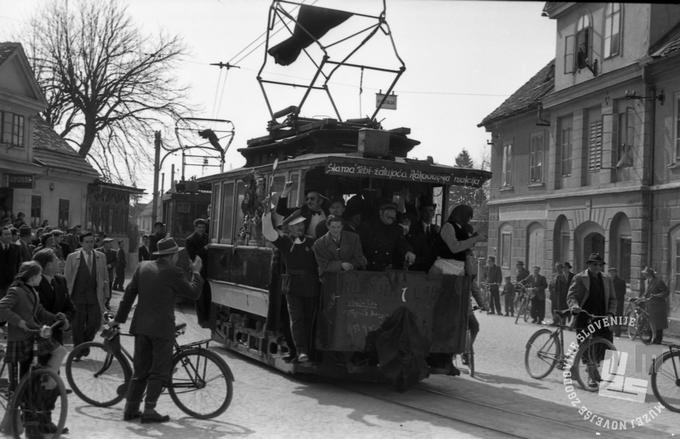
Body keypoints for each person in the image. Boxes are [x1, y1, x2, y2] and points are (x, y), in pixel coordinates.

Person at [111, 237, 203, 423]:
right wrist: (196, 273)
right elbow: (193, 293)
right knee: (159, 371)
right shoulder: (173, 272)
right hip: (161, 329)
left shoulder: (143, 267)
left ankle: (130, 410)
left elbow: (128, 295)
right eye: (177, 254)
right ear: (172, 256)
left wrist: (118, 320)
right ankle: (149, 410)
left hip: (141, 327)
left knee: (140, 371)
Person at [0, 261, 70, 437]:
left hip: (33, 334)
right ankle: (49, 380)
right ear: (32, 277)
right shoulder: (16, 291)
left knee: (56, 355)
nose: (41, 278)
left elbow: (39, 311)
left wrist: (56, 318)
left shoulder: (32, 291)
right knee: (58, 353)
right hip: (22, 338)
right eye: (39, 275)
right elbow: (1, 308)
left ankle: (48, 379)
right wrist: (20, 322)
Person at [263, 208, 319, 363]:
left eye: (302, 224)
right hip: (293, 287)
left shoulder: (312, 242)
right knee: (297, 319)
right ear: (290, 229)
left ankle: (308, 352)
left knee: (309, 320)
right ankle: (301, 351)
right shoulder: (285, 242)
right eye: (296, 225)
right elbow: (268, 233)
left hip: (311, 286)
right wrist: (266, 215)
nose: (300, 227)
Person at [567, 253, 617, 388]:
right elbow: (571, 296)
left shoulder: (607, 279)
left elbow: (613, 299)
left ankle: (590, 368)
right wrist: (575, 306)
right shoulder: (579, 278)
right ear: (588, 264)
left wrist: (611, 313)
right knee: (587, 345)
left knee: (604, 344)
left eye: (600, 265)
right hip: (584, 315)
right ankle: (591, 374)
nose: (597, 267)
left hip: (601, 316)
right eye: (594, 264)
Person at [64, 232, 109, 358]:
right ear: (81, 243)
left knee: (94, 324)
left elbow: (105, 276)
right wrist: (66, 297)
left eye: (92, 241)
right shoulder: (72, 257)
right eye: (87, 242)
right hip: (77, 297)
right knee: (77, 325)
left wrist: (107, 293)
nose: (90, 244)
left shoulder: (101, 257)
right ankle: (78, 351)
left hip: (94, 297)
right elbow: (67, 278)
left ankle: (85, 343)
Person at [33, 249, 75, 345]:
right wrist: (58, 319)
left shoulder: (61, 280)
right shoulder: (34, 282)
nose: (60, 262)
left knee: (58, 356)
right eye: (56, 260)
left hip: (57, 335)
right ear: (48, 265)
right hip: (39, 335)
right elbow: (37, 311)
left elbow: (70, 307)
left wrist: (65, 318)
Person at [359, 200, 416, 271]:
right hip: (369, 269)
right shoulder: (366, 227)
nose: (391, 215)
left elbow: (402, 243)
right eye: (388, 211)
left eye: (393, 211)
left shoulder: (396, 229)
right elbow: (358, 246)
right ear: (380, 212)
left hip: (387, 271)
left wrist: (408, 251)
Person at [184, 218, 212, 328]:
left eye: (203, 227)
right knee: (199, 295)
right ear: (195, 228)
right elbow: (192, 256)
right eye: (199, 227)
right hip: (198, 269)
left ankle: (207, 317)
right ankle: (201, 320)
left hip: (208, 269)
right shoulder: (190, 240)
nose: (201, 229)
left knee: (208, 294)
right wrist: (204, 249)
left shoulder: (207, 238)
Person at [406, 200, 440, 272]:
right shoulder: (412, 228)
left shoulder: (436, 230)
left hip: (432, 269)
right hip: (416, 268)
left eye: (431, 211)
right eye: (425, 211)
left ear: (434, 213)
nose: (429, 214)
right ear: (421, 213)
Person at [641, 267, 669, 344]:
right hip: (650, 305)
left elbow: (666, 292)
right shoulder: (646, 282)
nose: (644, 275)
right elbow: (646, 293)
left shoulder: (658, 281)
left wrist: (657, 295)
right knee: (650, 322)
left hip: (658, 306)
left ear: (650, 274)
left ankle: (658, 339)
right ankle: (651, 338)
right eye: (644, 274)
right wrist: (641, 298)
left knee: (658, 323)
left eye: (646, 274)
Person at [0, 226, 22, 298]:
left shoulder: (16, 248)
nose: (9, 236)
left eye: (9, 234)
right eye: (6, 234)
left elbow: (19, 264)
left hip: (11, 282)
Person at [608, 267, 627, 337]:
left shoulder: (621, 281)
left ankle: (617, 332)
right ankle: (610, 331)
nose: (611, 274)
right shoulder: (608, 280)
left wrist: (615, 297)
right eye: (610, 272)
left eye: (613, 272)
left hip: (618, 302)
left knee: (617, 317)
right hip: (609, 302)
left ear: (616, 273)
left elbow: (623, 292)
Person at [98, 237, 117, 306]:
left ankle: (107, 303)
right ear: (105, 244)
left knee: (108, 289)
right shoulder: (98, 251)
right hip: (99, 274)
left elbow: (116, 261)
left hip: (109, 274)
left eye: (110, 243)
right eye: (109, 243)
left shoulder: (114, 252)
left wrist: (110, 265)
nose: (110, 245)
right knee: (100, 288)